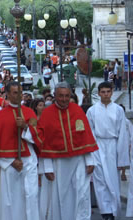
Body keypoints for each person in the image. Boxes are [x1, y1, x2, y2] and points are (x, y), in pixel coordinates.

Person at [0, 81, 42, 220]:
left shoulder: (29, 112)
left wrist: (26, 127)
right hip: (10, 164)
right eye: (15, 93)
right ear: (8, 94)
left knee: (31, 195)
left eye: (20, 92)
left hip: (29, 161)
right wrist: (10, 161)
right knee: (11, 200)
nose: (18, 95)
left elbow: (38, 137)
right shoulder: (0, 116)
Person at [38, 82, 98, 220]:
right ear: (55, 96)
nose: (64, 99)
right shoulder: (47, 114)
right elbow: (44, 143)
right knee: (58, 197)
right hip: (57, 163)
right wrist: (47, 168)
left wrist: (90, 160)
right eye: (61, 96)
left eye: (66, 96)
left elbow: (86, 136)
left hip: (78, 162)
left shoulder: (77, 110)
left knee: (81, 194)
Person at [86, 82, 129, 220]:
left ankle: (113, 209)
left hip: (112, 146)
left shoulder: (118, 110)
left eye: (108, 91)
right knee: (100, 180)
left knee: (112, 179)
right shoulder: (92, 111)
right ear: (98, 93)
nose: (105, 94)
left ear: (111, 92)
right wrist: (91, 152)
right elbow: (89, 131)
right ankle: (106, 211)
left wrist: (122, 157)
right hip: (97, 145)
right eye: (103, 92)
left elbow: (122, 133)